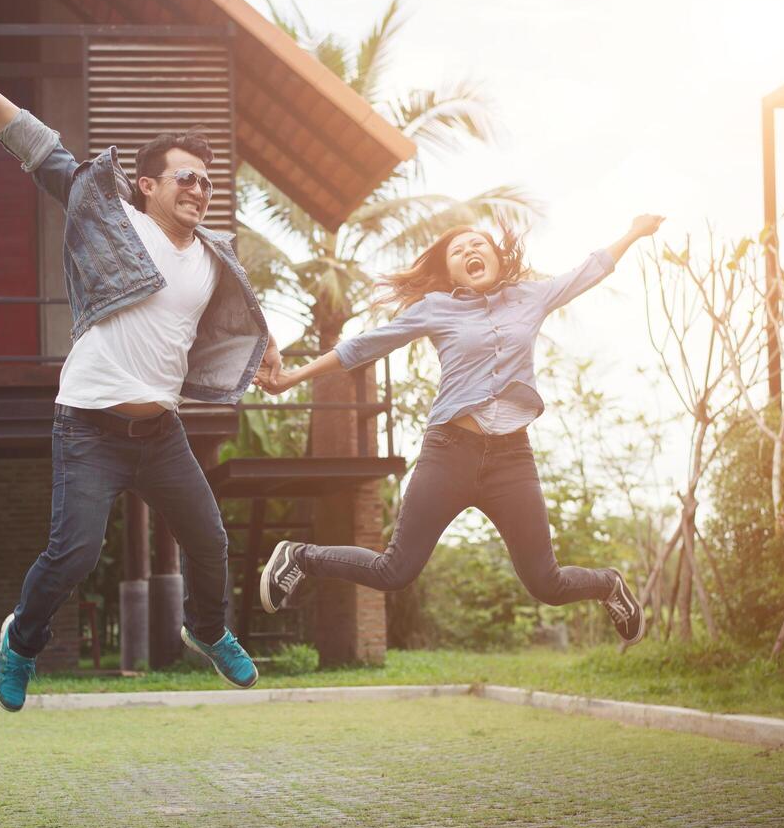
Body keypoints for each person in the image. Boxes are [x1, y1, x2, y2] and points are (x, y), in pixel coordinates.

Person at [0, 30, 283, 710]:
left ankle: (207, 632)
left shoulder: (215, 256)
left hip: (159, 435)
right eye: (187, 178)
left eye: (207, 181)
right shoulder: (111, 216)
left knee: (209, 541)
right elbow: (44, 152)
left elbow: (240, 311)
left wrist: (267, 344)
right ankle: (21, 643)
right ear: (148, 184)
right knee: (75, 554)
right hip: (88, 425)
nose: (200, 190)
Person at [258, 217, 666, 644]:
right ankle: (300, 557)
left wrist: (634, 232)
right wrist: (291, 377)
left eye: (479, 244)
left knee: (547, 584)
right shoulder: (436, 308)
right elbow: (364, 345)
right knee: (394, 570)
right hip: (450, 453)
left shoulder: (531, 297)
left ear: (495, 255)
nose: (471, 251)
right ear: (449, 272)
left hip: (511, 459)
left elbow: (590, 269)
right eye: (458, 251)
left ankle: (608, 585)